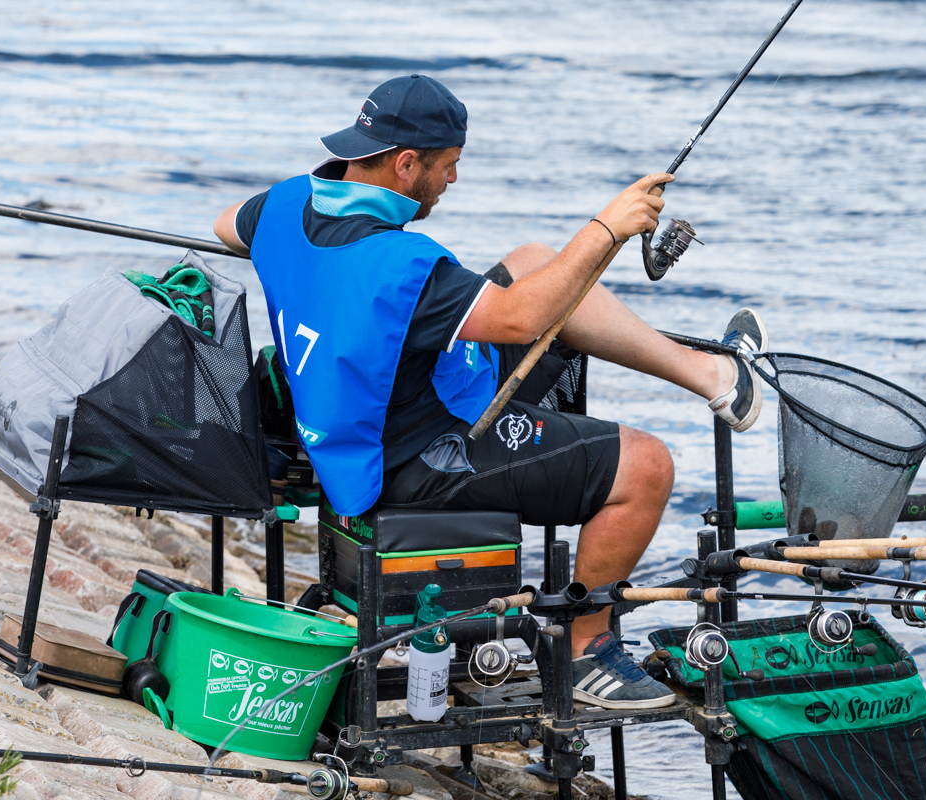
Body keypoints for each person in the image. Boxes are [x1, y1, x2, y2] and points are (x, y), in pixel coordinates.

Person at [214, 74, 768, 710]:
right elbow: (520, 321)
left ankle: (713, 377)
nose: (453, 180)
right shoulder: (400, 266)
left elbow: (227, 225)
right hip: (416, 454)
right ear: (404, 163)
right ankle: (584, 650)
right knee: (647, 466)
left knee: (535, 260)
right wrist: (608, 227)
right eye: (448, 166)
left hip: (373, 404)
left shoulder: (281, 207)